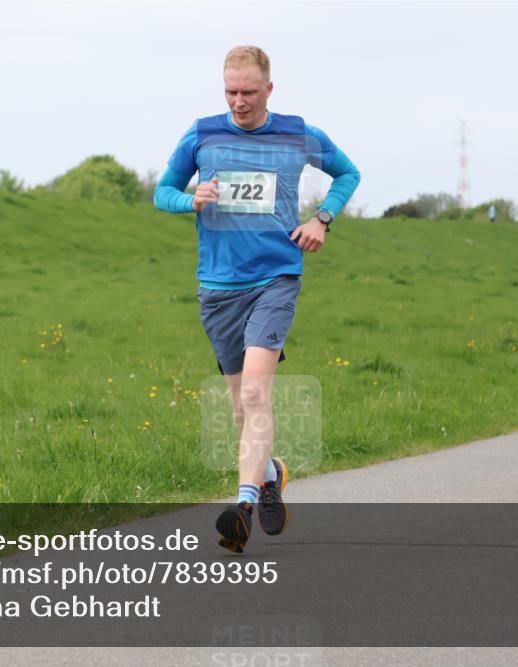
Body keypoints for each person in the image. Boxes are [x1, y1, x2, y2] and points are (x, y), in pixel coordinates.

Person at [153, 46, 361, 552]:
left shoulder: (297, 132)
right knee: (240, 407)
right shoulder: (202, 133)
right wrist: (190, 199)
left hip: (276, 277)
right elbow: (163, 191)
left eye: (248, 92)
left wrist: (322, 219)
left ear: (269, 89)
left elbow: (348, 173)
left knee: (254, 394)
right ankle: (271, 473)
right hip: (218, 288)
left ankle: (243, 504)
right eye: (230, 91)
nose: (238, 102)